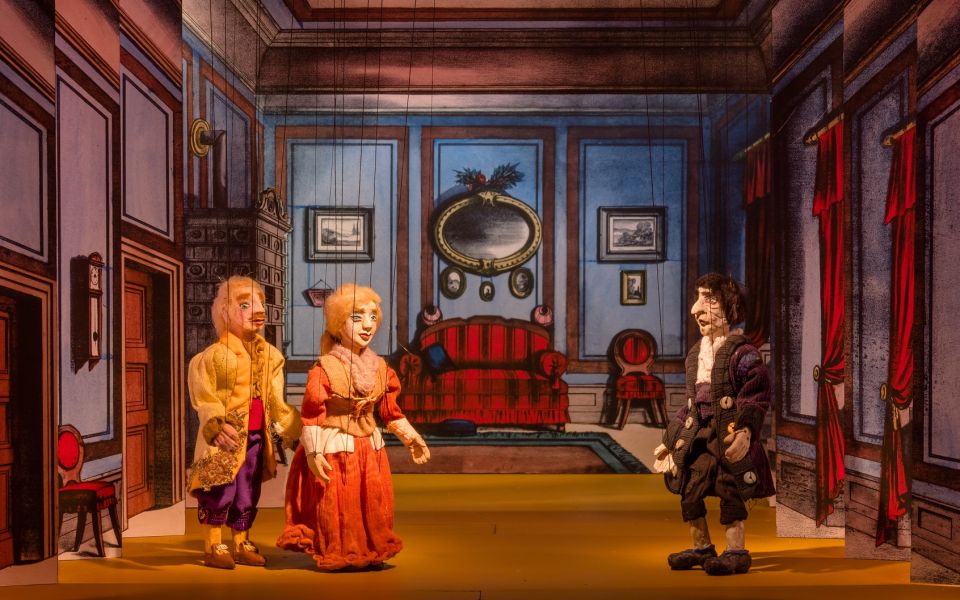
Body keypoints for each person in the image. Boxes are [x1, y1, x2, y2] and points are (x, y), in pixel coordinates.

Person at [277, 284, 431, 570]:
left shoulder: (381, 368)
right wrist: (313, 452)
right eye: (357, 317)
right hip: (337, 446)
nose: (368, 325)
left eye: (373, 317)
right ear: (339, 323)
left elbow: (390, 411)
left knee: (372, 498)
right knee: (340, 501)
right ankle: (341, 549)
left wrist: (412, 437)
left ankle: (370, 548)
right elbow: (313, 413)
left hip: (369, 446)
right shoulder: (325, 368)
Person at [654, 272, 773, 576]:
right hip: (699, 436)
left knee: (728, 488)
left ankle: (736, 551)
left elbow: (755, 395)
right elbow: (691, 405)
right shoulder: (696, 355)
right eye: (698, 299)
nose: (696, 309)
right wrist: (670, 440)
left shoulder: (743, 354)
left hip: (727, 437)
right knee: (691, 489)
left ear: (730, 306)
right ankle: (701, 547)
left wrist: (746, 430)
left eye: (709, 299)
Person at [187, 276, 302, 569]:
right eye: (245, 305)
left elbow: (275, 401)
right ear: (225, 311)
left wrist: (294, 431)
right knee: (219, 488)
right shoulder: (214, 356)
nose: (258, 310)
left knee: (247, 489)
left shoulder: (270, 357)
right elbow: (205, 396)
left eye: (260, 303)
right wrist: (214, 423)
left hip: (255, 437)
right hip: (225, 438)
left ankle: (241, 542)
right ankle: (214, 544)